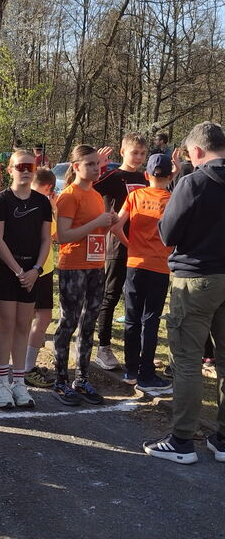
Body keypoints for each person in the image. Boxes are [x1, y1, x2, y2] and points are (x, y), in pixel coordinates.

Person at [143, 121, 225, 465]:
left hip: (196, 277)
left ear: (197, 150)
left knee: (188, 359)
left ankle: (181, 440)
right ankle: (222, 439)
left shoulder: (193, 182)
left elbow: (168, 232)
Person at [51, 144, 118, 407]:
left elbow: (96, 232)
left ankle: (82, 379)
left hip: (96, 265)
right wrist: (97, 223)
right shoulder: (69, 195)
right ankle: (60, 380)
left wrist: (108, 223)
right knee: (68, 322)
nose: (96, 168)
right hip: (73, 267)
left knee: (88, 324)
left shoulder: (97, 195)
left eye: (97, 163)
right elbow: (63, 236)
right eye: (90, 164)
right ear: (76, 167)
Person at [0, 151, 52, 408]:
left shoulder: (42, 201)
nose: (25, 171)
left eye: (30, 166)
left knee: (24, 325)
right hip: (7, 270)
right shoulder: (2, 199)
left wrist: (36, 269)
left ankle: (19, 382)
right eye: (20, 166)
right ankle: (2, 383)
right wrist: (18, 270)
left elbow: (47, 239)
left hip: (32, 272)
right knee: (7, 324)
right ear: (10, 170)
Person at [111, 153, 176, 393]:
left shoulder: (135, 195)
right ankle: (146, 373)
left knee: (132, 317)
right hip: (159, 265)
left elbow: (116, 227)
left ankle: (131, 371)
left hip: (135, 263)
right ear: (170, 176)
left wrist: (131, 246)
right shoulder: (172, 200)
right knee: (150, 319)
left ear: (146, 175)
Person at [93, 132, 147, 370]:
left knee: (137, 299)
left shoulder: (145, 178)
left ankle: (136, 351)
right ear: (123, 152)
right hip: (116, 243)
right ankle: (103, 348)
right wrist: (97, 165)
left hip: (141, 246)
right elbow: (85, 187)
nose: (139, 157)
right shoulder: (113, 177)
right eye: (135, 152)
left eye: (143, 153)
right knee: (111, 295)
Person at [25, 168, 58, 388]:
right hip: (39, 268)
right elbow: (55, 235)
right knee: (41, 317)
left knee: (32, 318)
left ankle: (25, 365)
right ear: (50, 188)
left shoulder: (28, 200)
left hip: (39, 268)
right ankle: (26, 367)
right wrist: (54, 208)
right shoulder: (43, 204)